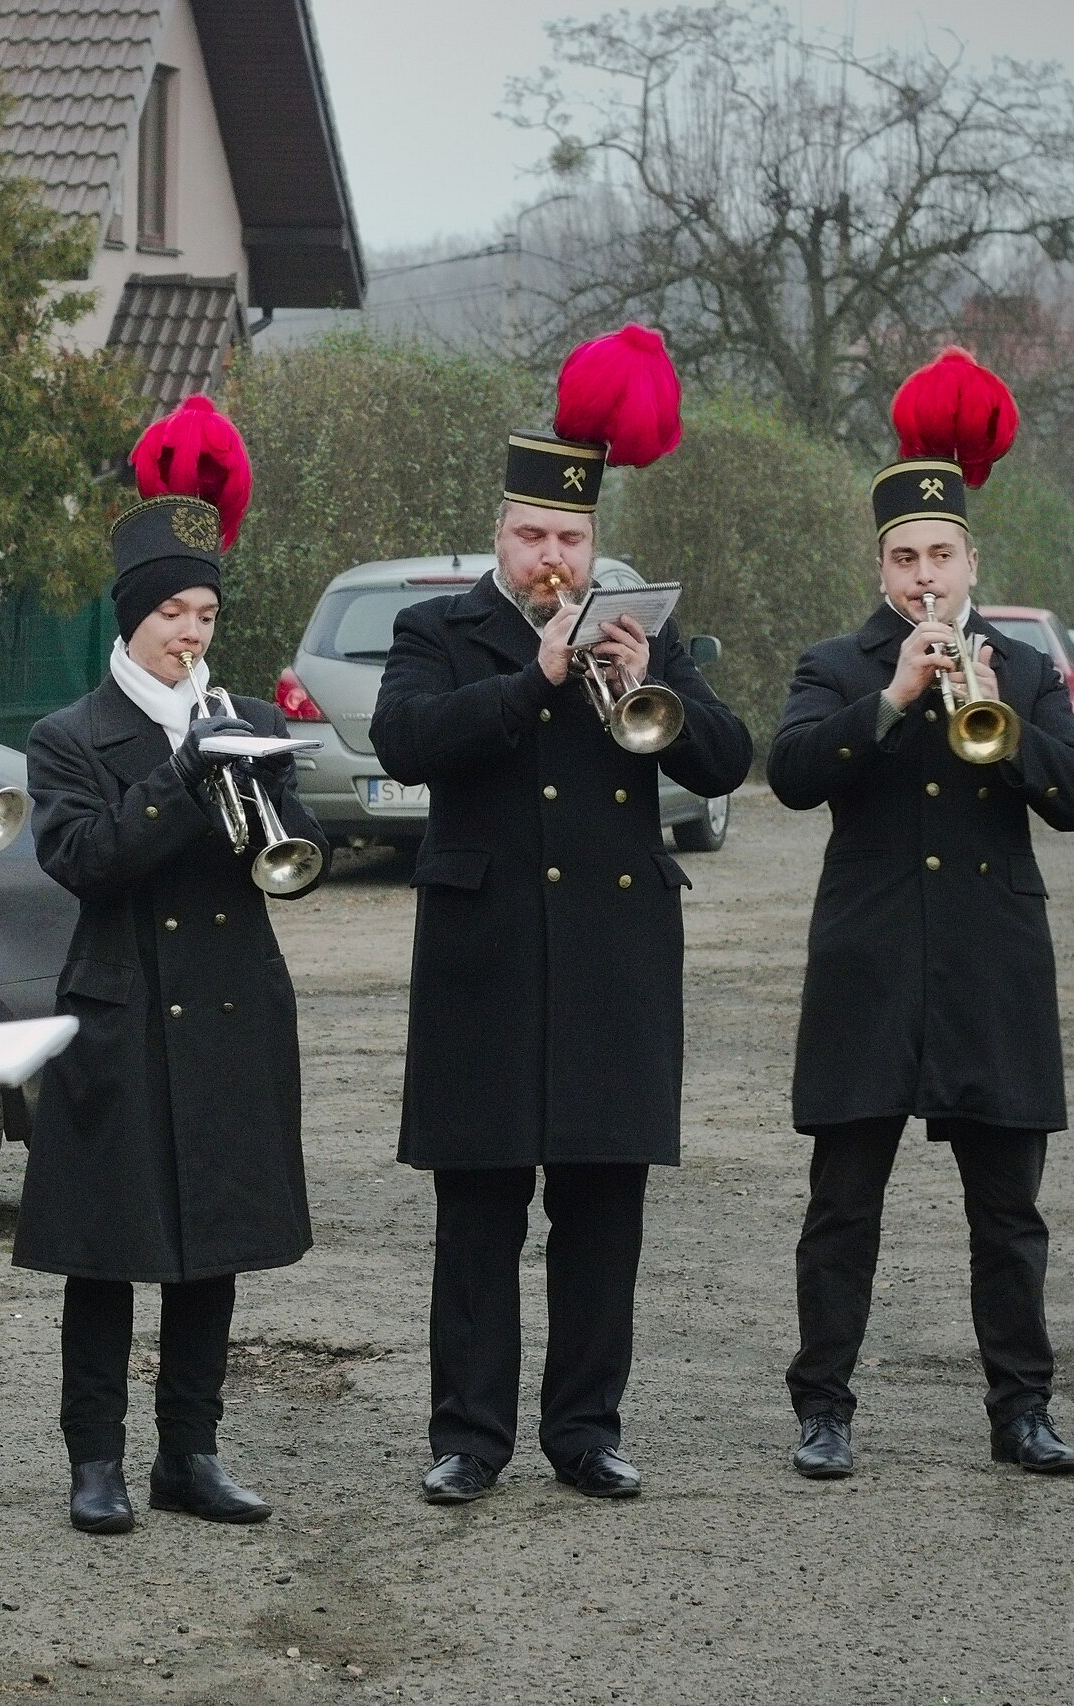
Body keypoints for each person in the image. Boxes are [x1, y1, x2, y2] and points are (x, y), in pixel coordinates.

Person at [373, 326, 754, 1505]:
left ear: (595, 543)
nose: (552, 556)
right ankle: (469, 1436)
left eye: (570, 538)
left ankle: (585, 1430)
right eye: (533, 535)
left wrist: (652, 680)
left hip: (611, 956)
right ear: (500, 534)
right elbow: (403, 740)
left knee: (602, 1210)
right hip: (483, 955)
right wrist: (533, 675)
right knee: (478, 1210)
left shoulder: (643, 629)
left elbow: (725, 758)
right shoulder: (437, 630)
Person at [767, 347, 1074, 1481]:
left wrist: (1005, 728)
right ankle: (823, 1409)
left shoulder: (1023, 667)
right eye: (905, 558)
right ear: (881, 565)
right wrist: (893, 697)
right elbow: (792, 774)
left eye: (941, 556)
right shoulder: (835, 665)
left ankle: (1023, 1410)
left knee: (1008, 1214)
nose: (925, 576)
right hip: (867, 965)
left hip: (990, 962)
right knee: (841, 1208)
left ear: (971, 561)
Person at [16, 395, 322, 1535]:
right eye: (171, 614)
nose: (190, 633)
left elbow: (297, 855)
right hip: (123, 1011)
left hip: (233, 1007)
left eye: (204, 613)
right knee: (105, 1254)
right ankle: (95, 1460)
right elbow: (85, 860)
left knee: (214, 1249)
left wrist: (261, 785)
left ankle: (189, 1454)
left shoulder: (236, 713)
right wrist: (183, 773)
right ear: (133, 617)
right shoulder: (68, 735)